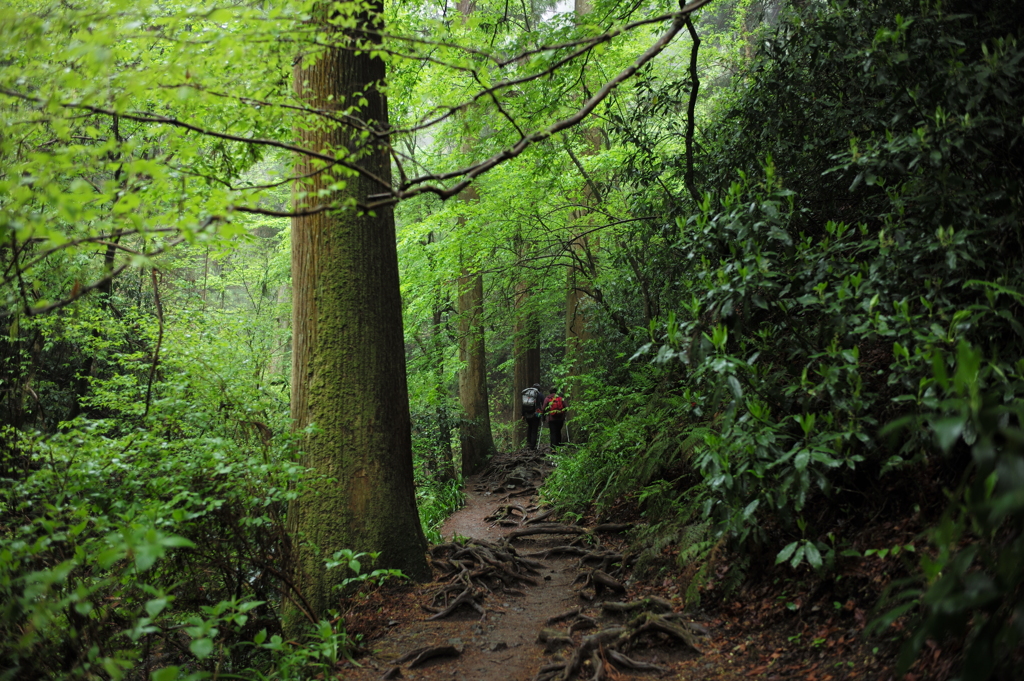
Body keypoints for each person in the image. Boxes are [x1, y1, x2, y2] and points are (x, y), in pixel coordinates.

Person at [520, 382, 543, 450]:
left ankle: (528, 443)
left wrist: (523, 415)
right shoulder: (539, 394)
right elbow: (544, 403)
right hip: (536, 414)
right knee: (534, 429)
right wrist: (543, 414)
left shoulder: (527, 394)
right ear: (539, 388)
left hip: (527, 414)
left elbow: (523, 405)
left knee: (530, 428)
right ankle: (533, 446)